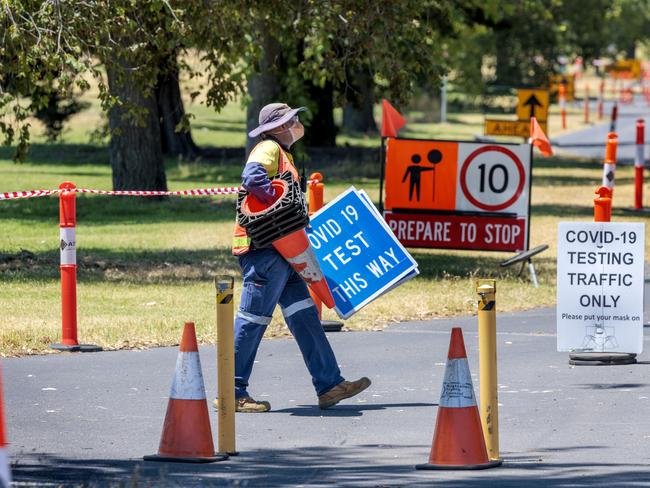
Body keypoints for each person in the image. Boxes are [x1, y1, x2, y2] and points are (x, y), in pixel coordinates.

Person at [223, 102, 371, 413]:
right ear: (278, 127)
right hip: (265, 251)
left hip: (284, 251)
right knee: (253, 319)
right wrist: (273, 200)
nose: (298, 123)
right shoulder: (267, 148)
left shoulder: (284, 154)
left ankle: (329, 385)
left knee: (304, 316)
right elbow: (251, 178)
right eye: (292, 119)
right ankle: (232, 391)